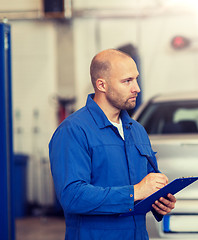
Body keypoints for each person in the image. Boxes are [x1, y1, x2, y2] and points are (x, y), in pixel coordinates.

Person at [49, 49, 176, 240]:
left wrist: (159, 202)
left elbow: (147, 185)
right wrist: (135, 192)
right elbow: (72, 196)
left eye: (136, 79)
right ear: (102, 84)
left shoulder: (137, 130)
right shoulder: (74, 130)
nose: (137, 88)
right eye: (127, 81)